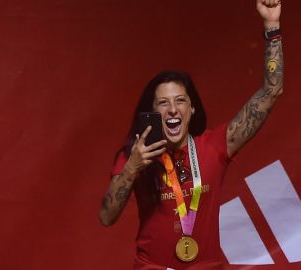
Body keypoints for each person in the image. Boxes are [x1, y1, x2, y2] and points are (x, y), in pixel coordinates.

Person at [99, 0, 283, 269]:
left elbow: (270, 93)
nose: (172, 109)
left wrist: (272, 25)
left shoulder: (214, 146)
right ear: (152, 110)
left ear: (192, 108)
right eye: (163, 103)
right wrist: (132, 168)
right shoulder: (136, 154)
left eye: (180, 100)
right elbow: (106, 217)